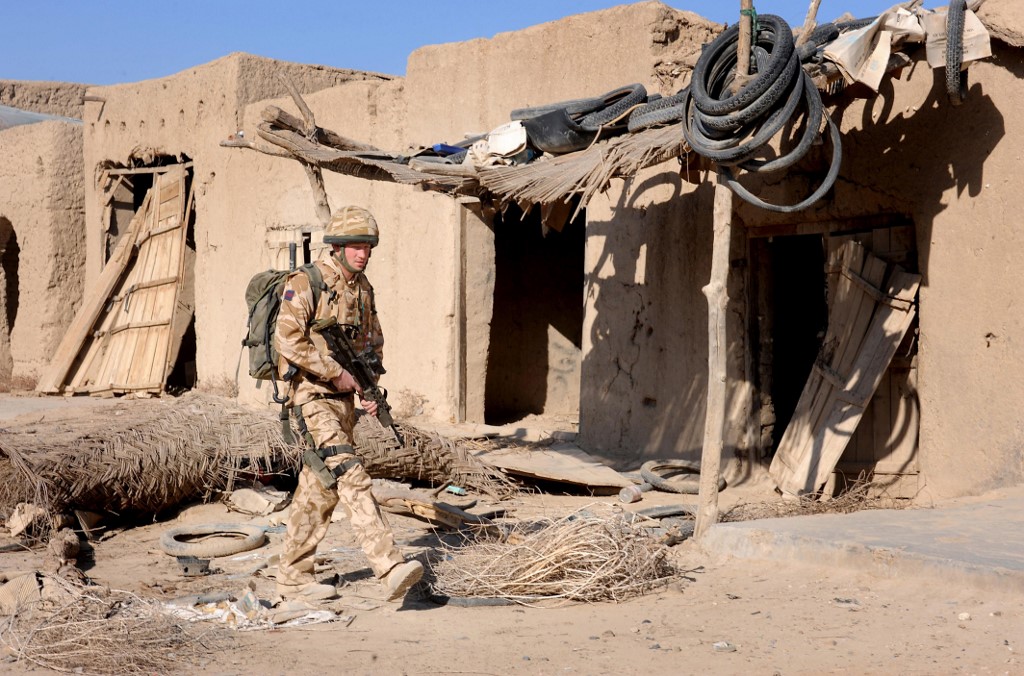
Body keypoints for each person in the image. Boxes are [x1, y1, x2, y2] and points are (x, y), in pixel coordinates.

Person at [273, 205, 423, 602]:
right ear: (337, 246)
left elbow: (370, 343)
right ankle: (388, 566)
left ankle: (292, 574)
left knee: (319, 489)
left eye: (368, 247)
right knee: (351, 475)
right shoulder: (306, 282)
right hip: (311, 397)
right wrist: (334, 372)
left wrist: (370, 389)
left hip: (343, 401)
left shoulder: (362, 287)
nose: (363, 254)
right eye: (356, 246)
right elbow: (287, 339)